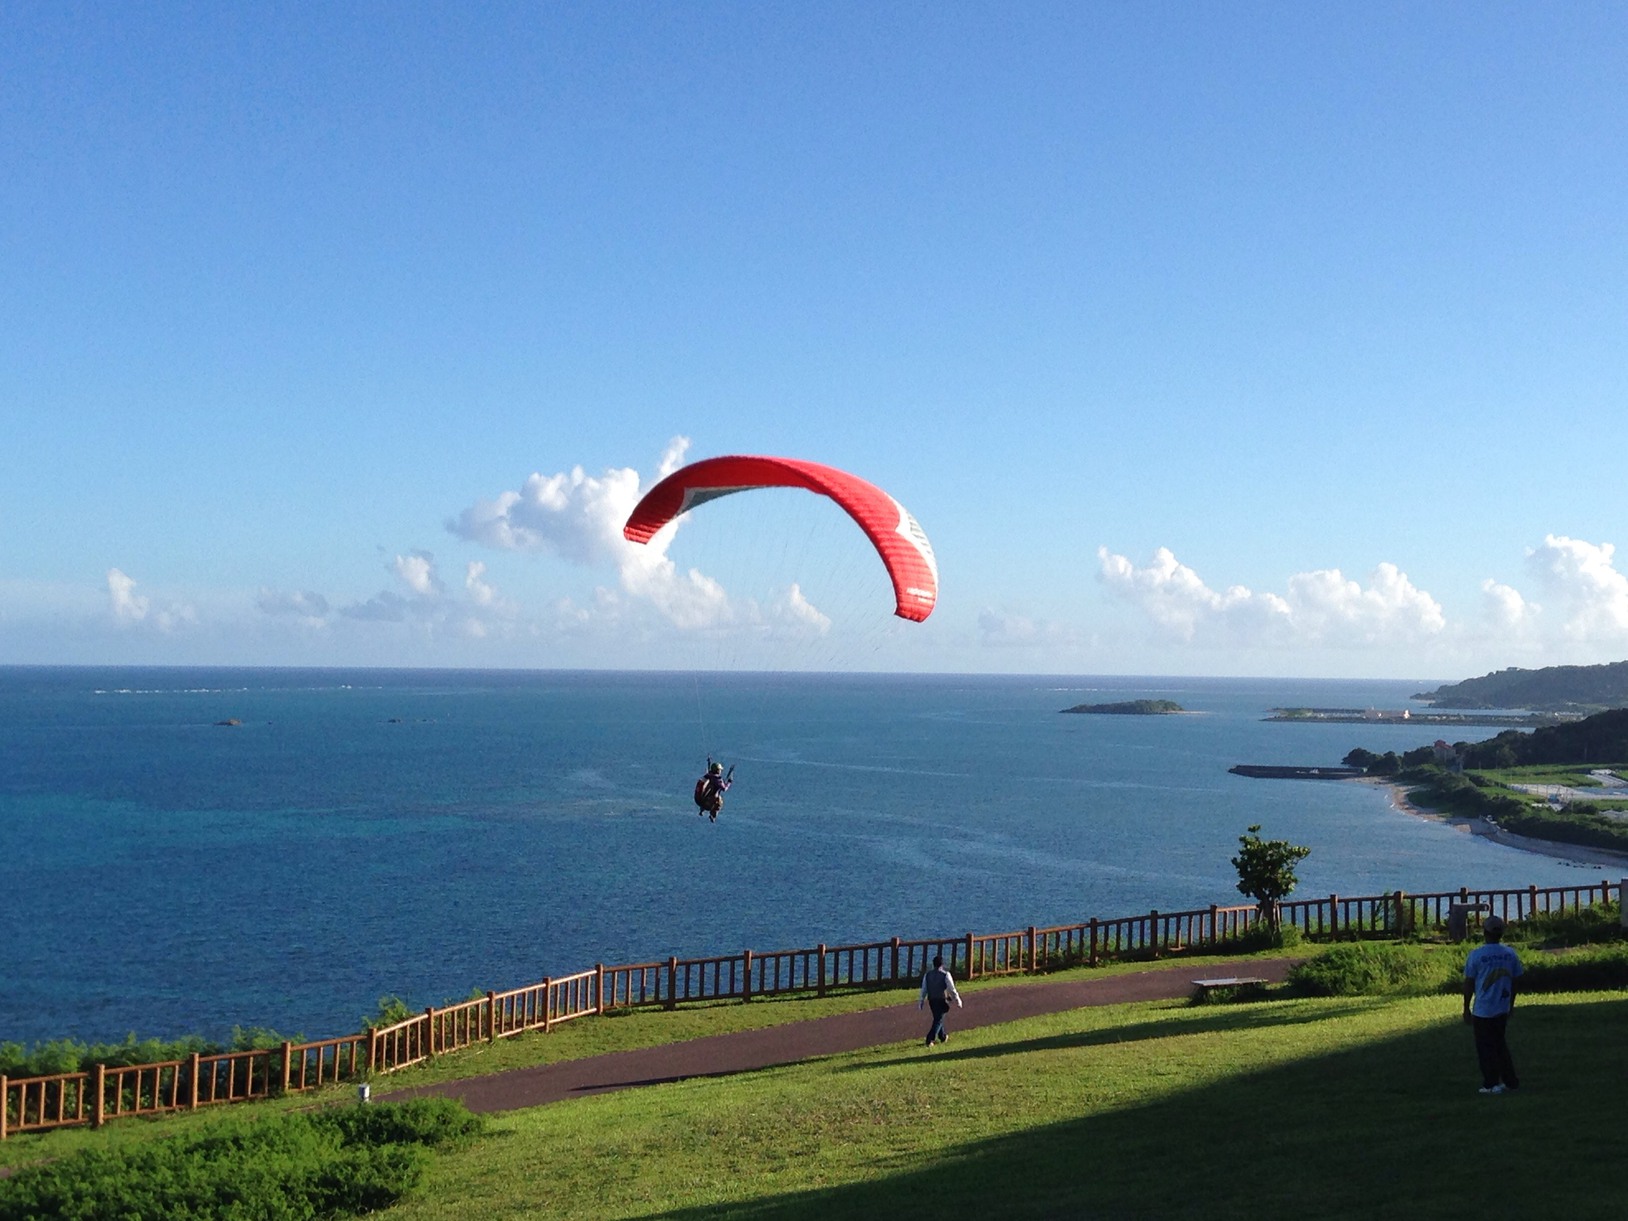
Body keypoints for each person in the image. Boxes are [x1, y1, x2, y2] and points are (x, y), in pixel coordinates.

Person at [1462, 914, 1523, 1095]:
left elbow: (1469, 983)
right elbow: (1516, 980)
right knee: (1499, 1044)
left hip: (1483, 1008)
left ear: (1484, 932)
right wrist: (1511, 1004)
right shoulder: (1509, 954)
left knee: (1485, 1047)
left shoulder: (1477, 955)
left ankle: (1491, 1083)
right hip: (1502, 1006)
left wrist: (1466, 1007)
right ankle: (1510, 1080)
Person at [918, 954, 962, 1047]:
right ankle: (930, 1039)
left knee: (938, 1018)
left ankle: (942, 1036)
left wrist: (921, 1000)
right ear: (942, 964)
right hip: (942, 999)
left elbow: (924, 989)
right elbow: (951, 988)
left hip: (932, 1000)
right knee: (938, 1019)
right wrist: (957, 999)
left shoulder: (927, 975)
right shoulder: (945, 975)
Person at [693, 758, 733, 822]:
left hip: (699, 800)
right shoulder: (717, 780)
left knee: (708, 794)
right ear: (718, 771)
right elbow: (724, 788)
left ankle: (702, 810)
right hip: (708, 804)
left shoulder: (707, 776)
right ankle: (713, 815)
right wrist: (729, 783)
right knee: (719, 801)